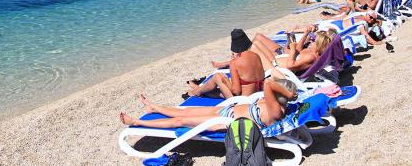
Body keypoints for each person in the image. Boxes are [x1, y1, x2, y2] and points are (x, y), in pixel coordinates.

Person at [120, 79, 297, 130]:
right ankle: (153, 107)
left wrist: (289, 93)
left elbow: (268, 84)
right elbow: (271, 82)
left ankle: (137, 122)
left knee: (181, 120)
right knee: (189, 110)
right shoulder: (276, 104)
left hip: (225, 121)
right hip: (227, 111)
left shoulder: (276, 110)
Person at [186, 29, 265, 98]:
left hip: (244, 99)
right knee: (219, 85)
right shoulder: (256, 56)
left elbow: (236, 91)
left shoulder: (235, 63)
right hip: (259, 93)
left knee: (218, 77)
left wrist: (225, 80)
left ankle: (197, 92)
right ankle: (198, 89)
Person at [252, 29, 332, 72]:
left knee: (254, 46)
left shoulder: (311, 57)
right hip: (275, 61)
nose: (312, 41)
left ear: (319, 45)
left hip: (274, 66)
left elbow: (291, 66)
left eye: (314, 41)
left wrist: (293, 49)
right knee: (256, 42)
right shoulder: (313, 54)